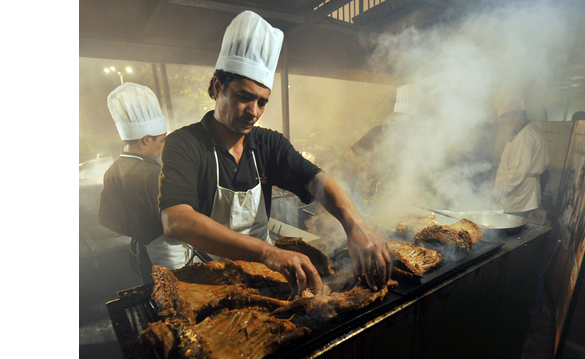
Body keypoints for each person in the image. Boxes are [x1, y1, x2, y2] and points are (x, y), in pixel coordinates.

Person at [158, 11, 391, 294]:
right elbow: (176, 219)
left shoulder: (268, 144)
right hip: (212, 274)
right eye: (244, 97)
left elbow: (316, 178)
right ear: (219, 87)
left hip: (266, 275)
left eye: (262, 102)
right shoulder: (185, 144)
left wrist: (356, 225)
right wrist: (269, 252)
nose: (254, 112)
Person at [99, 83, 193, 283]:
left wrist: (140, 233)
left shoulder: (112, 170)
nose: (162, 148)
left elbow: (107, 218)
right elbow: (179, 222)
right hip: (169, 257)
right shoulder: (153, 174)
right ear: (146, 139)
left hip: (141, 255)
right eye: (160, 141)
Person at [344, 84, 422, 197]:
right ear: (401, 115)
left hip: (405, 193)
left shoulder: (414, 137)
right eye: (411, 119)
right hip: (378, 192)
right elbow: (349, 152)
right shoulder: (379, 131)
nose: (413, 123)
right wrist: (365, 168)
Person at [491, 109, 550, 215]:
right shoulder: (534, 129)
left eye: (503, 123)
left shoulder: (525, 135)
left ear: (511, 118)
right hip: (523, 195)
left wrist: (496, 193)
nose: (503, 128)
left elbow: (517, 172)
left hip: (518, 197)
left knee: (508, 229)